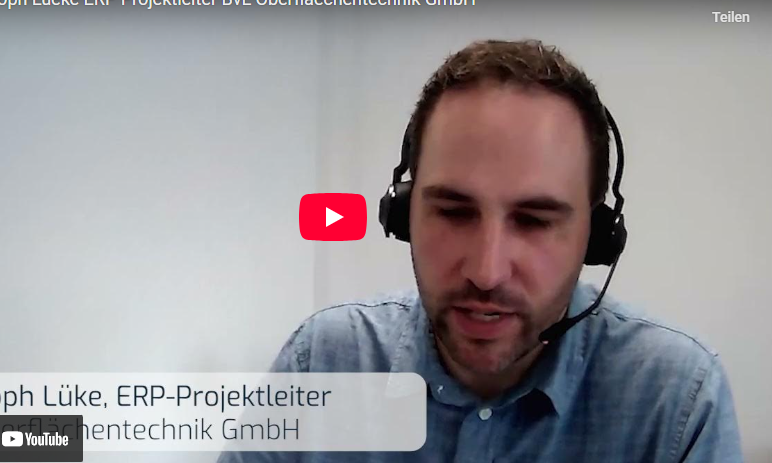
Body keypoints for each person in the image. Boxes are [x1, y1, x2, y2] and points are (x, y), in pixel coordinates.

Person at [218, 39, 743, 462]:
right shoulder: (325, 362)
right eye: (453, 212)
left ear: (597, 236)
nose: (487, 272)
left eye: (534, 221)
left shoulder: (676, 398)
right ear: (402, 215)